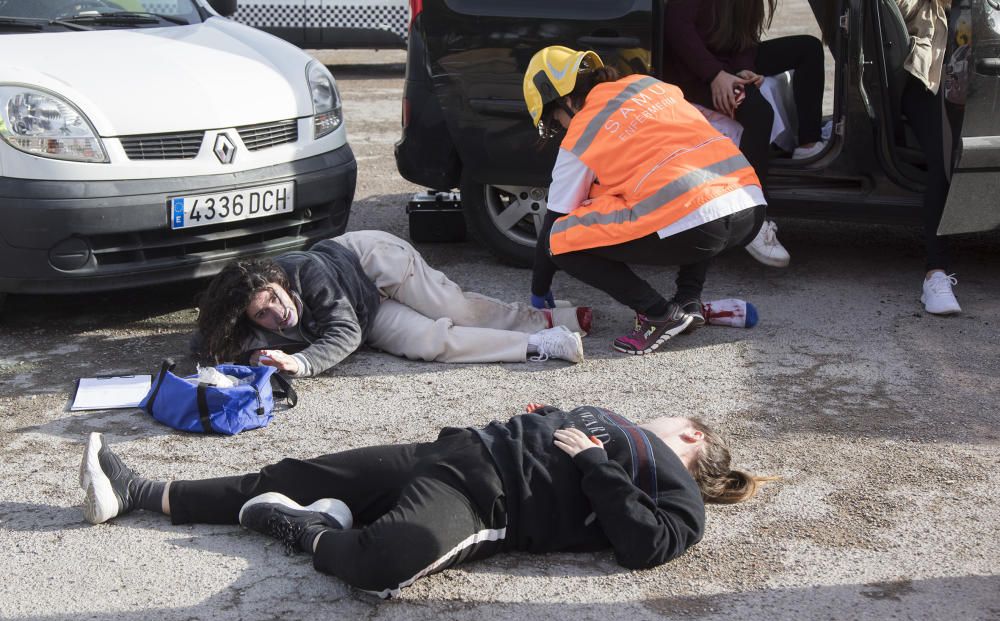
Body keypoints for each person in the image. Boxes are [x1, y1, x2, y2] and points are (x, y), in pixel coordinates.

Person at [79, 403, 772, 598]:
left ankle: (305, 532)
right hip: (450, 449)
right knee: (298, 467)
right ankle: (136, 491)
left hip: (482, 500)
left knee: (379, 563)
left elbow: (646, 547)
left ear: (693, 435)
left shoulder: (680, 492)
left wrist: (595, 465)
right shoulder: (614, 417)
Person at [524, 46, 766, 355]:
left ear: (567, 101)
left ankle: (658, 314)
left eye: (556, 119)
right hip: (749, 205)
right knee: (687, 190)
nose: (561, 128)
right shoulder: (648, 86)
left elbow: (553, 225)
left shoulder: (582, 133)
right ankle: (688, 301)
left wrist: (538, 291)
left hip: (702, 225)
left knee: (561, 239)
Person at [195, 230, 591, 374]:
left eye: (274, 300)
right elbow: (207, 346)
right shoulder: (249, 320)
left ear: (280, 282)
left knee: (455, 309)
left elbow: (344, 332)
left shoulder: (305, 271)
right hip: (368, 313)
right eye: (261, 315)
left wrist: (299, 362)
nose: (276, 315)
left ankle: (549, 316)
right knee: (430, 343)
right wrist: (242, 359)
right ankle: (542, 343)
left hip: (368, 262)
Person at [663, 0, 828, 268]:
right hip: (692, 70)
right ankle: (753, 220)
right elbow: (677, 27)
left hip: (724, 62)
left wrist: (742, 69)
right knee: (758, 112)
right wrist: (716, 75)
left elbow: (744, 38)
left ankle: (808, 143)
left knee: (808, 48)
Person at [895, 0, 961, 314]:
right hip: (923, 78)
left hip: (967, 73)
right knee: (943, 155)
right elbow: (891, 12)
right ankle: (936, 274)